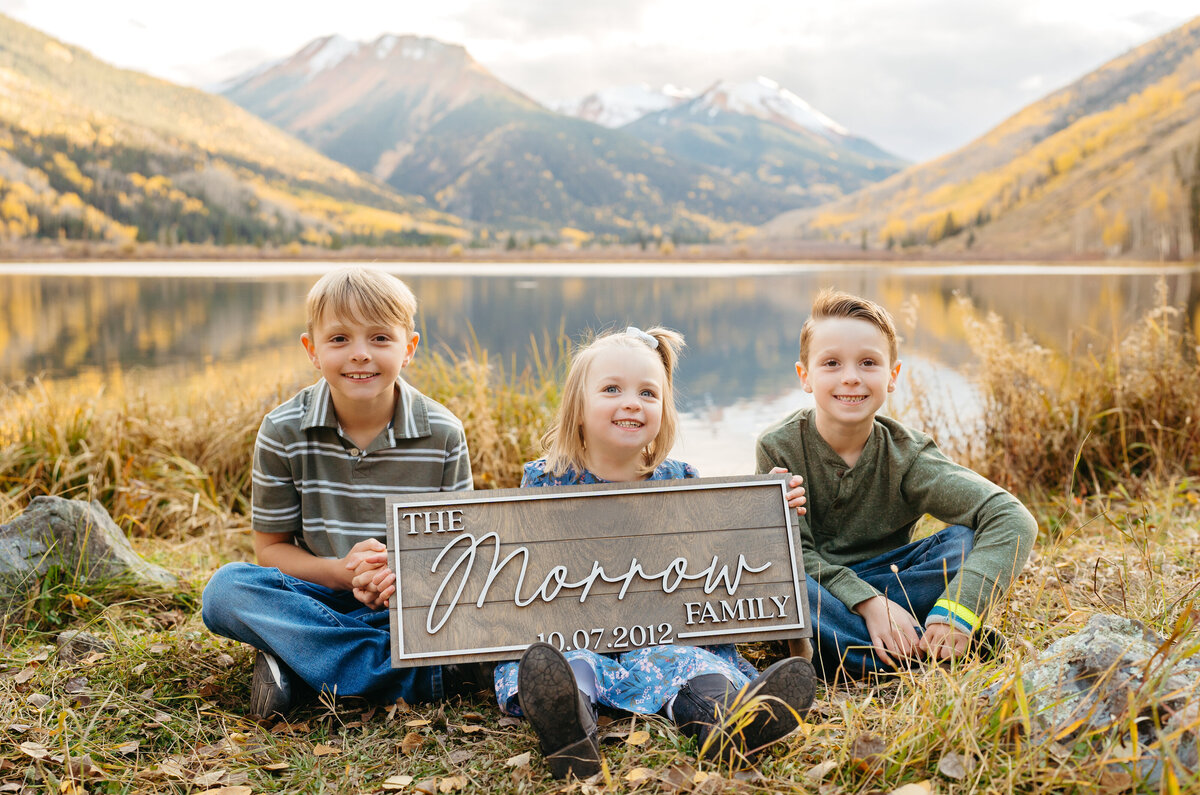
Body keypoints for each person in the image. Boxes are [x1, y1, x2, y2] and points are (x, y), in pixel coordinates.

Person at [497, 326, 817, 779]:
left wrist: (770, 513)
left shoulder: (680, 479)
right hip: (580, 633)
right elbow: (519, 568)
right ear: (578, 408)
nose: (631, 402)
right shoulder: (547, 482)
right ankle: (570, 730)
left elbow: (718, 553)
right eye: (612, 389)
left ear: (664, 410)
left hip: (664, 634)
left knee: (695, 666)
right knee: (565, 665)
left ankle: (730, 725)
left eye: (648, 393)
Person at [201, 266, 476, 717]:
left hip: (407, 603)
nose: (360, 355)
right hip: (319, 592)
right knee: (225, 590)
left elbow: (458, 553)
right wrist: (342, 574)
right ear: (312, 350)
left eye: (380, 339)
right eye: (339, 339)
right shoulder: (283, 429)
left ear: (409, 348)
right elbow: (271, 550)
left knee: (490, 612)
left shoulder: (443, 433)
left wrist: (401, 577)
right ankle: (415, 675)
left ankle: (301, 664)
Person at [755, 288, 1037, 682]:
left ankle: (876, 647)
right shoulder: (779, 447)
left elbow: (1012, 518)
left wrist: (957, 610)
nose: (850, 377)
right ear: (805, 376)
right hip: (824, 592)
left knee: (963, 541)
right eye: (832, 363)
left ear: (892, 377)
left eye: (868, 363)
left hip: (896, 585)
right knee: (787, 583)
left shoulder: (909, 455)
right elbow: (795, 556)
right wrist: (868, 603)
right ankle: (919, 653)